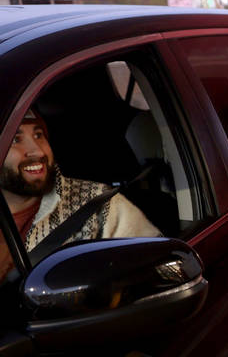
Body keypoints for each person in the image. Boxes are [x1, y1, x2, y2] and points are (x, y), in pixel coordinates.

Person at [0, 108, 159, 275]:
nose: (38, 151)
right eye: (15, 140)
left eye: (39, 135)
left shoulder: (100, 206)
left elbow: (155, 273)